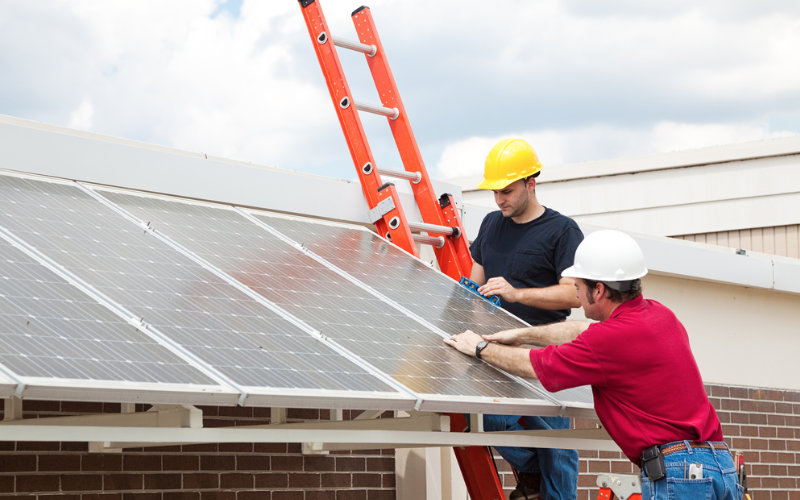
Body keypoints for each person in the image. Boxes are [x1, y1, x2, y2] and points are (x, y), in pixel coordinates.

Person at [445, 229, 743, 500]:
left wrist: (481, 348)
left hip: (680, 476)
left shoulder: (609, 340)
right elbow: (577, 331)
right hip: (720, 467)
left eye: (578, 286)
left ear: (598, 290)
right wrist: (522, 333)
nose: (576, 293)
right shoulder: (659, 316)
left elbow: (534, 366)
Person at [469, 138, 583, 500]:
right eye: (495, 192)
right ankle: (531, 472)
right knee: (489, 422)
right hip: (495, 347)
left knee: (556, 443)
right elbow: (474, 283)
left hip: (541, 349)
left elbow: (575, 294)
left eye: (507, 191)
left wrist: (517, 294)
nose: (499, 199)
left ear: (531, 184)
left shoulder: (562, 231)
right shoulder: (490, 224)